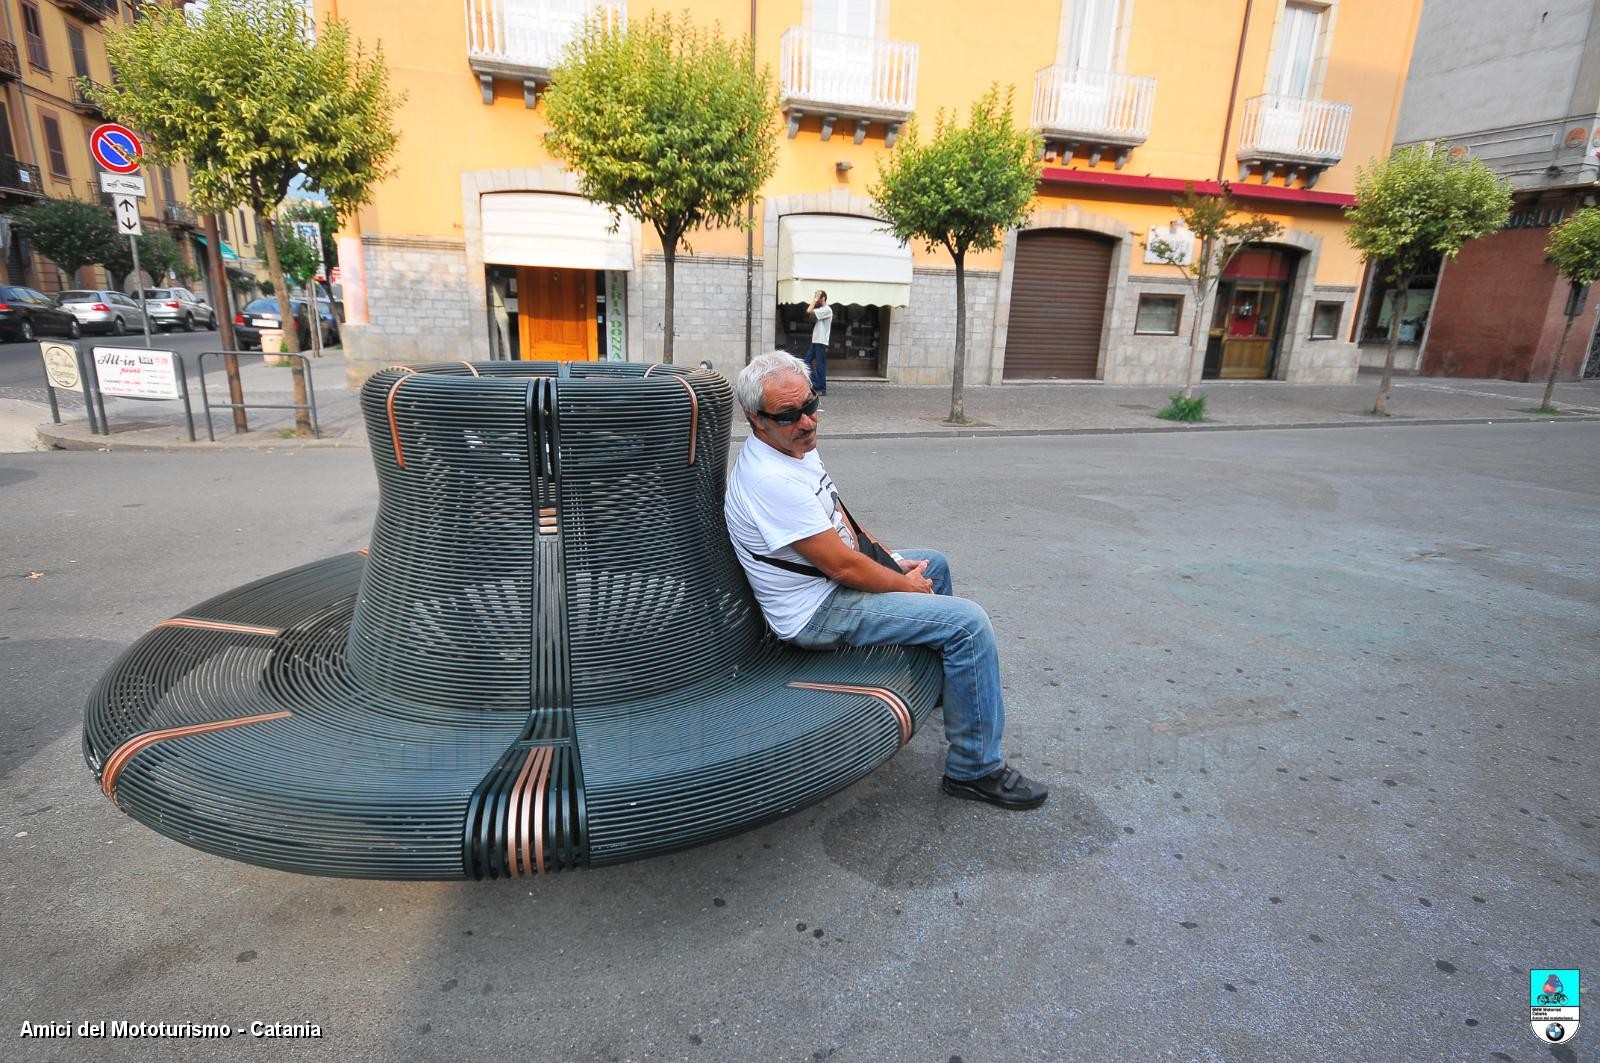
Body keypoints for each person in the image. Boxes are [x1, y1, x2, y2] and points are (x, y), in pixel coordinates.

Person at [723, 352, 1048, 811]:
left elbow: (844, 522)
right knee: (967, 625)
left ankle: (951, 692)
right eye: (790, 415)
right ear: (756, 419)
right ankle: (975, 770)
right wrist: (903, 585)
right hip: (812, 613)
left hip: (830, 583)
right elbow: (843, 568)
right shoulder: (770, 479)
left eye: (811, 406)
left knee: (932, 562)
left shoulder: (792, 448)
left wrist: (895, 563)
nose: (807, 422)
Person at [804, 290, 832, 395]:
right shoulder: (821, 310)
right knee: (806, 362)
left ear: (823, 298)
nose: (816, 300)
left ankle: (821, 387)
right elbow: (809, 312)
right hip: (816, 341)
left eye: (819, 298)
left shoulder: (827, 310)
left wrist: (815, 298)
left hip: (821, 341)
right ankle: (817, 385)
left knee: (820, 365)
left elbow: (808, 310)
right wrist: (816, 298)